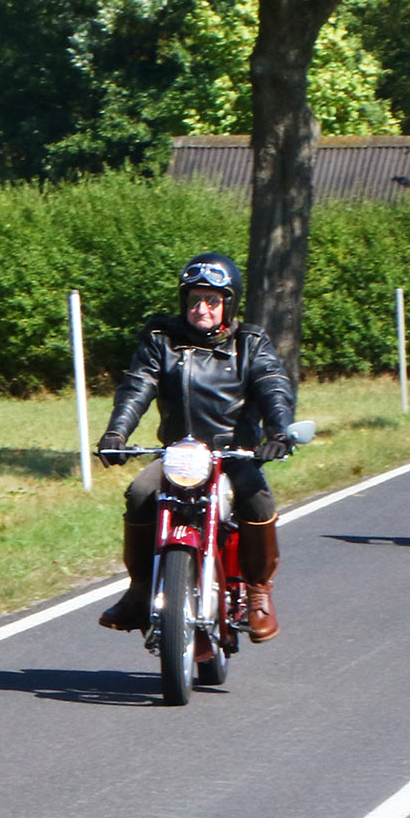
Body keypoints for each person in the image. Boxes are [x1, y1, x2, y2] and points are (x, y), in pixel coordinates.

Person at [96, 253, 296, 642]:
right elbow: (138, 387)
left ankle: (258, 593)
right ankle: (139, 590)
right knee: (140, 493)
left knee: (258, 500)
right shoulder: (161, 341)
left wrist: (279, 434)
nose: (201, 309)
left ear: (228, 304)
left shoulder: (250, 343)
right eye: (193, 300)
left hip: (233, 454)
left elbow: (274, 386)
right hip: (178, 455)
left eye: (211, 300)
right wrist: (115, 434)